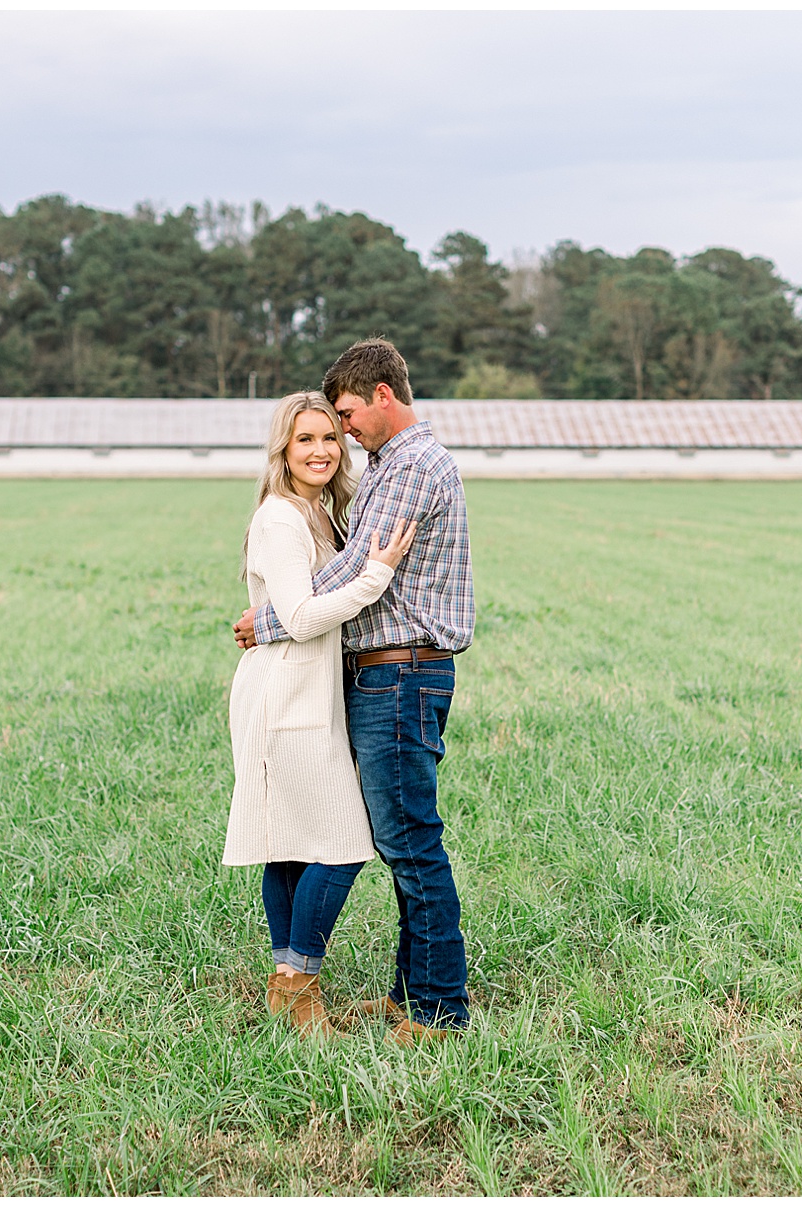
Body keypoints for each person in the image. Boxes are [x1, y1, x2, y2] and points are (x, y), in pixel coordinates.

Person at [235, 338, 475, 1046]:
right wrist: (284, 618)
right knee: (400, 842)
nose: (341, 434)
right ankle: (411, 997)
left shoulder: (406, 468)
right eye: (316, 429)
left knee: (407, 843)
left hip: (399, 671)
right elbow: (347, 568)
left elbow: (352, 572)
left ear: (382, 396)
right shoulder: (388, 465)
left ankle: (435, 1008)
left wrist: (269, 622)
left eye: (343, 416)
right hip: (382, 671)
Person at [223, 390, 416, 1038]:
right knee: (341, 844)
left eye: (330, 437)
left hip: (306, 693)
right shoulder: (280, 518)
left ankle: (287, 985)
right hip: (284, 697)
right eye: (305, 439)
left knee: (292, 846)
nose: (321, 450)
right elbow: (303, 616)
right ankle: (298, 980)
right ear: (284, 448)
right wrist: (376, 575)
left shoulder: (319, 514)